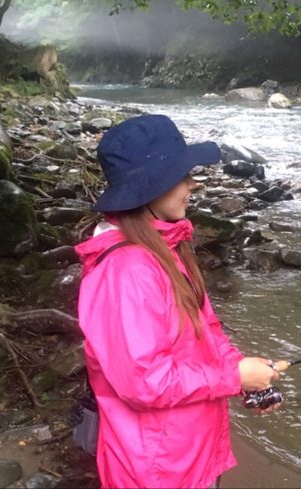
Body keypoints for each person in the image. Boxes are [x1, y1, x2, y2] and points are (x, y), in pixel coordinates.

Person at [75, 114, 280, 488]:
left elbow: (206, 331)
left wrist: (243, 375)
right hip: (157, 469)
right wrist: (231, 377)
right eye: (182, 175)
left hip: (189, 453)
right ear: (151, 188)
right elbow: (144, 383)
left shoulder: (164, 248)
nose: (193, 183)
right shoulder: (127, 270)